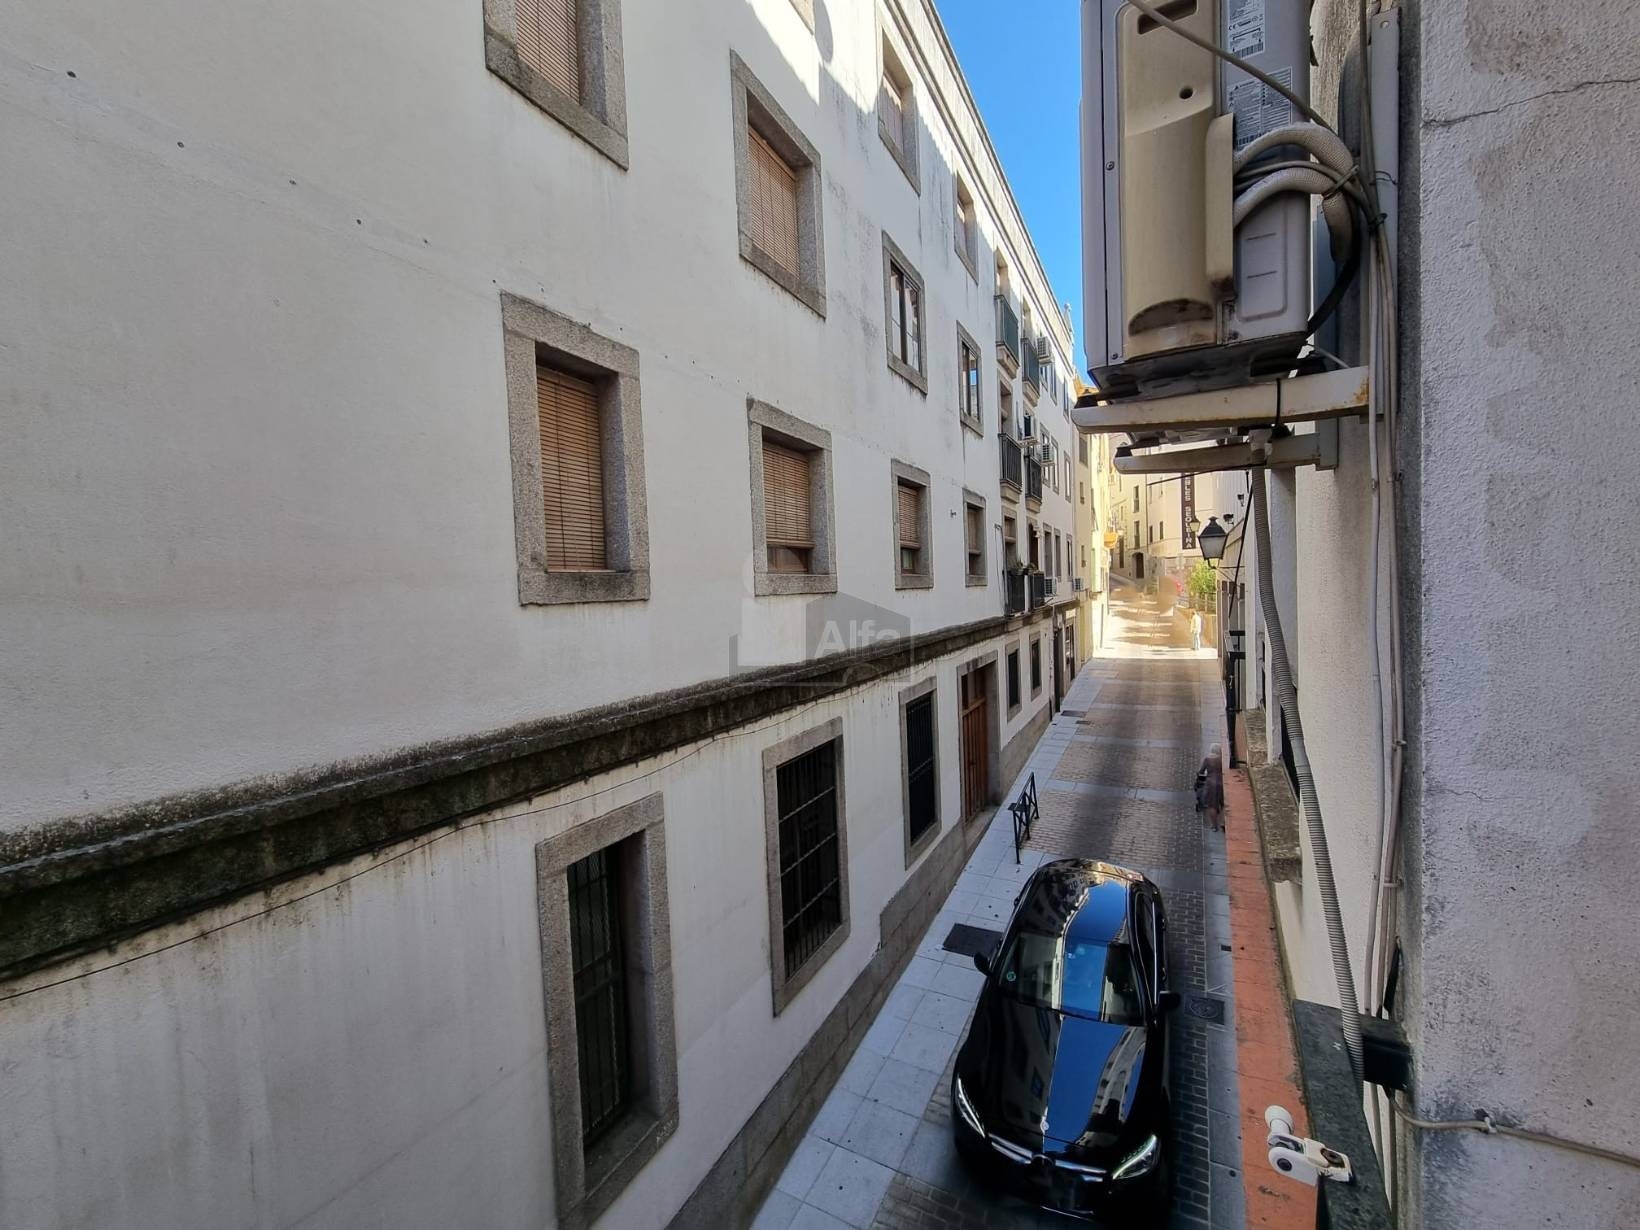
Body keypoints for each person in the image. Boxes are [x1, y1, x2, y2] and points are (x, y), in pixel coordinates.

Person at [1194, 744, 1225, 831]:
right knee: (1224, 803)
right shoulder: (1221, 759)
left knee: (1212, 805)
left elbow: (1201, 771)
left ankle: (1214, 826)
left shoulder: (1207, 760)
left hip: (1210, 784)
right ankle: (1222, 822)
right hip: (1221, 782)